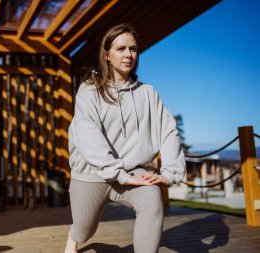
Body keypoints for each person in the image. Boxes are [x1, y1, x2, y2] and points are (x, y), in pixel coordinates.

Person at [64, 23, 186, 253]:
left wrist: (170, 173)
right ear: (107, 55)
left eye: (133, 49)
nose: (128, 54)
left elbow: (169, 130)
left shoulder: (147, 93)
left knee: (152, 199)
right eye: (121, 49)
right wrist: (117, 174)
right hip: (91, 173)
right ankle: (73, 237)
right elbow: (87, 134)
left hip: (133, 171)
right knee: (84, 229)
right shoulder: (90, 91)